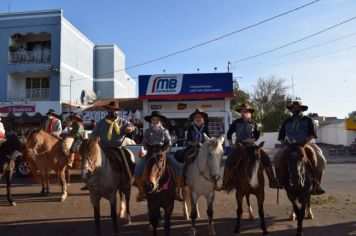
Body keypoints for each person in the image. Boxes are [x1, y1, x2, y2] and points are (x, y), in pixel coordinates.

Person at [220, 102, 278, 191]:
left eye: (246, 111)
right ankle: (225, 182)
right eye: (243, 111)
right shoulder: (236, 122)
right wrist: (231, 144)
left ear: (250, 113)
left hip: (251, 145)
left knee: (265, 158)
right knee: (229, 160)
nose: (244, 113)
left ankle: (272, 180)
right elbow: (229, 134)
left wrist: (253, 140)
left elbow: (257, 134)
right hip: (239, 145)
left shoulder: (254, 123)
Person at [275, 100, 326, 195]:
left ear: (302, 109)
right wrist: (285, 143)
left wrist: (304, 143)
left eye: (298, 108)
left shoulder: (308, 120)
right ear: (291, 109)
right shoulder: (287, 121)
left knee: (321, 159)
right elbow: (281, 136)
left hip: (307, 144)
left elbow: (312, 134)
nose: (296, 110)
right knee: (277, 157)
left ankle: (317, 184)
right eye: (294, 108)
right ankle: (279, 181)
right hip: (290, 145)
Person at [134, 111, 183, 202]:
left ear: (160, 121)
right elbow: (144, 142)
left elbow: (169, 145)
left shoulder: (165, 131)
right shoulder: (148, 131)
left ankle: (177, 191)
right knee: (137, 170)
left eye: (157, 119)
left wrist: (164, 152)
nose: (155, 121)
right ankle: (141, 192)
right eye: (153, 120)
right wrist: (145, 150)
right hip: (150, 154)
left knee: (178, 167)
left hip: (163, 154)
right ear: (151, 121)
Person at [183, 109, 210, 173]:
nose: (198, 118)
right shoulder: (190, 127)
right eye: (196, 117)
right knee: (186, 155)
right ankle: (185, 173)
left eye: (200, 117)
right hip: (192, 147)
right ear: (193, 119)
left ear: (203, 118)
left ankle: (212, 173)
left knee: (212, 157)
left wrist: (202, 144)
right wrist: (194, 144)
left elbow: (208, 139)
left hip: (204, 148)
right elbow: (188, 141)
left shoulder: (206, 127)